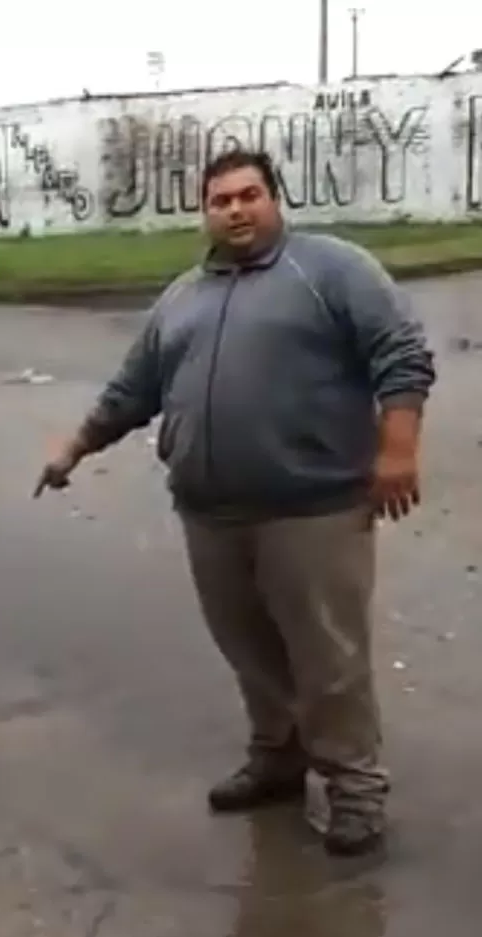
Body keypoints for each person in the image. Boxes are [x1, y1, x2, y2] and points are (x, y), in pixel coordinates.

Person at [34, 149, 435, 858]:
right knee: (249, 649)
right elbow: (135, 390)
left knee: (328, 657)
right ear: (205, 212)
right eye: (221, 200)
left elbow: (400, 352)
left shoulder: (330, 270)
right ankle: (278, 760)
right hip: (211, 513)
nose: (236, 209)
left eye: (250, 195)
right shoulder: (183, 296)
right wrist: (75, 446)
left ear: (276, 200)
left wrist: (397, 450)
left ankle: (354, 790)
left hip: (311, 509)